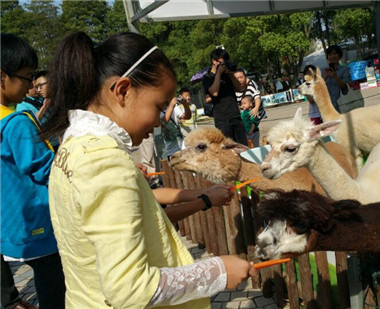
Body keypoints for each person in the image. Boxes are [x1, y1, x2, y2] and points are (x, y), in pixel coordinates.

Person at [40, 31, 257, 308]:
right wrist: (217, 271)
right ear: (123, 91)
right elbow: (130, 289)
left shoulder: (73, 146)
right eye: (158, 106)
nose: (158, 122)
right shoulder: (103, 162)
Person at [1, 33, 66, 309]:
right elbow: (43, 167)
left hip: (13, 222)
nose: (31, 86)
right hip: (36, 223)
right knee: (54, 283)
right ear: (3, 77)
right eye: (27, 77)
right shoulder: (16, 122)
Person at [202, 48, 248, 145]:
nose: (225, 64)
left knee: (243, 147)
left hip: (236, 115)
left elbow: (240, 88)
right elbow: (214, 93)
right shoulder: (207, 78)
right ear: (214, 61)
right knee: (228, 149)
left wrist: (230, 74)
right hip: (222, 119)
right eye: (223, 61)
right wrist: (218, 73)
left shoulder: (227, 75)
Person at [322, 44, 350, 112]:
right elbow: (317, 86)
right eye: (330, 54)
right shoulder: (322, 70)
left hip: (343, 104)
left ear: (339, 56)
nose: (332, 56)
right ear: (327, 57)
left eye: (334, 54)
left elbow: (345, 86)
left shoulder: (344, 69)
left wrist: (335, 77)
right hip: (327, 106)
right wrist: (325, 77)